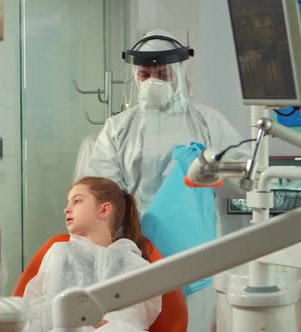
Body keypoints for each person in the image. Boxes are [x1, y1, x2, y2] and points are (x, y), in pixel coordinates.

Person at [85, 29, 251, 332]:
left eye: (162, 74)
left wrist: (210, 169)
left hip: (197, 258)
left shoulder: (208, 122)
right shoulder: (118, 127)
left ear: (179, 74)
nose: (153, 83)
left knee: (193, 325)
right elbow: (102, 193)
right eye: (145, 74)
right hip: (134, 256)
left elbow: (245, 177)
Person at [23, 176, 161, 332]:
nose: (66, 208)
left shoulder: (131, 262)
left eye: (77, 201)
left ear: (104, 210)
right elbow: (36, 312)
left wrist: (101, 324)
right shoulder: (60, 253)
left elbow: (135, 318)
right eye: (68, 202)